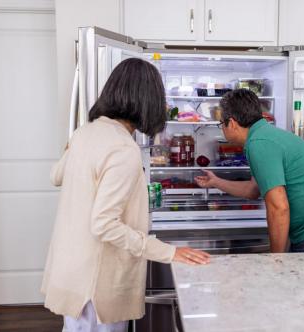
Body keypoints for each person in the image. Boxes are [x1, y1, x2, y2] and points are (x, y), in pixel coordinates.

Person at [41, 58, 210, 332]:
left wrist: (74, 146)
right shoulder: (122, 148)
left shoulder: (85, 133)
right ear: (147, 101)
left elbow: (55, 176)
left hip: (72, 273)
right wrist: (169, 252)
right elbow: (104, 224)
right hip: (97, 285)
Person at [195, 89, 304, 253]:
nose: (221, 128)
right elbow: (253, 190)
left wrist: (276, 259)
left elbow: (278, 207)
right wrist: (216, 182)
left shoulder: (259, 143)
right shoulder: (266, 135)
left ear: (232, 123)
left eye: (221, 123)